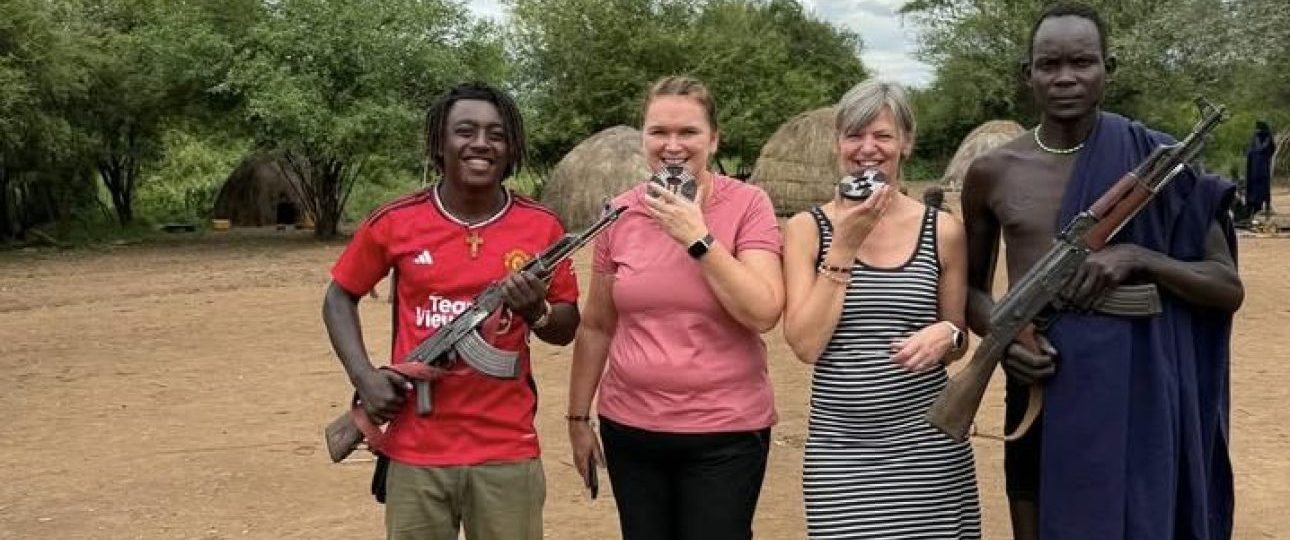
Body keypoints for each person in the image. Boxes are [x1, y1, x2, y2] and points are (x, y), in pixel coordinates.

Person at [961, 4, 1244, 539]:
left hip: (1139, 390)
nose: (1065, 77)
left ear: (1107, 69)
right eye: (1049, 64)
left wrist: (1139, 258)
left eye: (1082, 62)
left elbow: (1226, 287)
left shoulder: (1158, 163)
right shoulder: (993, 173)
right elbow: (971, 291)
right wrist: (1005, 336)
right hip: (1039, 383)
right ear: (1027, 73)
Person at [322, 82, 581, 540]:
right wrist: (365, 378)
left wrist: (536, 312)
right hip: (416, 451)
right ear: (439, 144)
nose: (481, 143)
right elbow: (338, 296)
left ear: (512, 148)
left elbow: (566, 326)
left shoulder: (541, 227)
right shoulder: (396, 221)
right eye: (465, 131)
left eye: (496, 134)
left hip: (507, 449)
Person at [565, 75, 785, 540]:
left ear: (714, 139)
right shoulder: (619, 213)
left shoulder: (748, 205)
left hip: (726, 430)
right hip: (631, 428)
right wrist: (578, 418)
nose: (672, 145)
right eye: (659, 132)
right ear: (643, 137)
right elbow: (597, 326)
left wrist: (697, 237)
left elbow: (763, 311)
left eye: (688, 132)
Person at [781, 79, 982, 539]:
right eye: (854, 135)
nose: (867, 148)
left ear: (905, 143)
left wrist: (948, 334)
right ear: (838, 143)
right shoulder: (806, 229)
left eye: (883, 136)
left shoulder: (942, 230)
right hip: (840, 451)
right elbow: (806, 345)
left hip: (928, 446)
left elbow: (959, 339)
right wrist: (845, 245)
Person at [1245, 120, 1276, 216]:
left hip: (1257, 168)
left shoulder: (1258, 137)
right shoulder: (1265, 137)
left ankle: (1257, 207)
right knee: (1262, 188)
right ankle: (1261, 207)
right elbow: (1272, 149)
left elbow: (1268, 149)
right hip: (1259, 168)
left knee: (1259, 188)